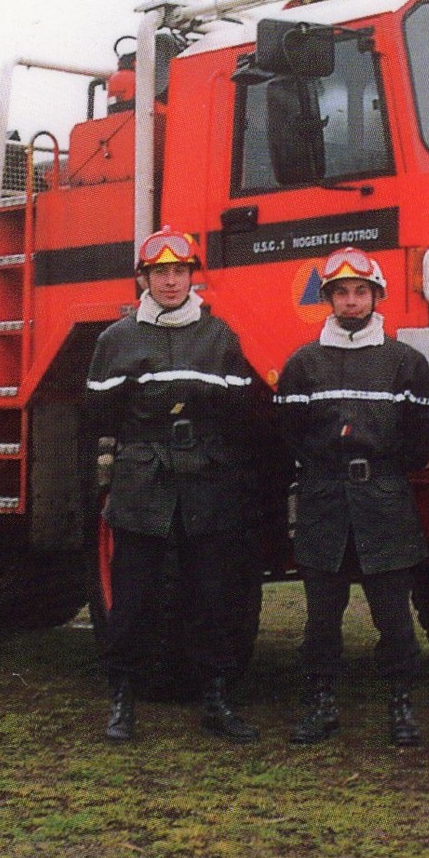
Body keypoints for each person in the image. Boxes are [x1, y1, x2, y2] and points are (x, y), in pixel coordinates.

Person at [84, 226, 261, 744]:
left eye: (178, 272)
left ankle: (217, 701)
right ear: (145, 278)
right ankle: (121, 702)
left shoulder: (220, 337)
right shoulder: (115, 340)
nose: (169, 281)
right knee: (133, 598)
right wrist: (111, 474)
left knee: (213, 595)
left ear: (191, 277)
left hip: (205, 480)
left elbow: (240, 413)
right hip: (143, 478)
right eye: (159, 272)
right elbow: (100, 414)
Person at [274, 247, 429, 747]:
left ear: (375, 296)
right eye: (341, 292)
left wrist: (386, 470)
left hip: (385, 496)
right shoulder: (303, 363)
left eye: (360, 292)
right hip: (325, 496)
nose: (351, 301)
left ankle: (401, 707)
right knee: (322, 613)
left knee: (393, 612)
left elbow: (420, 433)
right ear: (328, 299)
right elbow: (290, 432)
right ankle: (320, 706)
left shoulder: (405, 362)